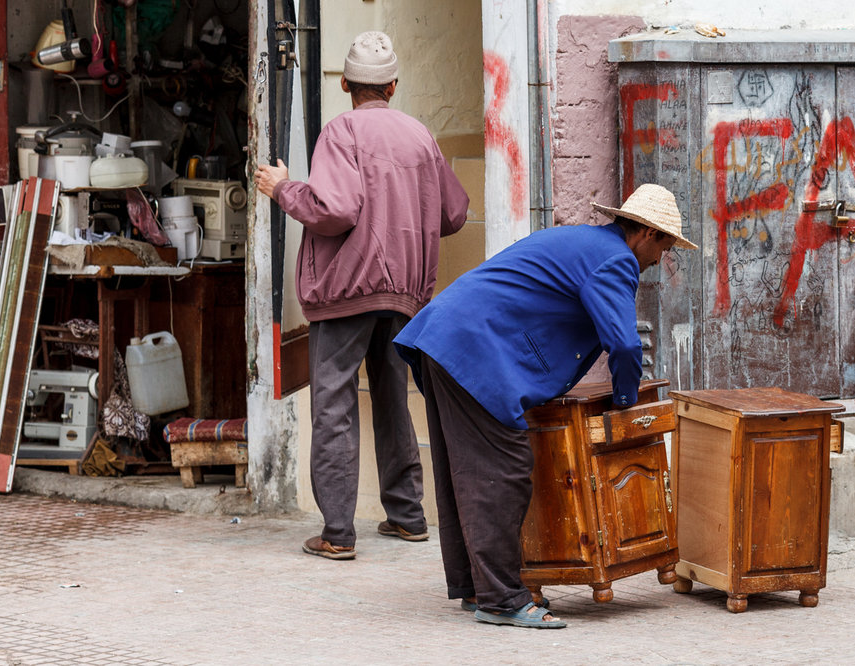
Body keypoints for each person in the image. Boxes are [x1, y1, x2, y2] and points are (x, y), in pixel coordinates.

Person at [393, 183, 697, 628]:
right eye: (664, 248)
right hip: (474, 349)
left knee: (468, 472)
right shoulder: (615, 259)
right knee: (504, 471)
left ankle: (478, 589)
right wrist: (625, 401)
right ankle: (502, 600)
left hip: (446, 338)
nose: (658, 261)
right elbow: (625, 345)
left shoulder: (586, 242)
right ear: (648, 234)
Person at [253, 31, 469, 560]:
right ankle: (408, 517)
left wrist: (283, 189)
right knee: (393, 398)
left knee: (333, 403)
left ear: (345, 84)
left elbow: (335, 209)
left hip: (347, 290)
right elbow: (454, 213)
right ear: (393, 86)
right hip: (405, 294)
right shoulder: (420, 136)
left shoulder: (341, 130)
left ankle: (337, 533)